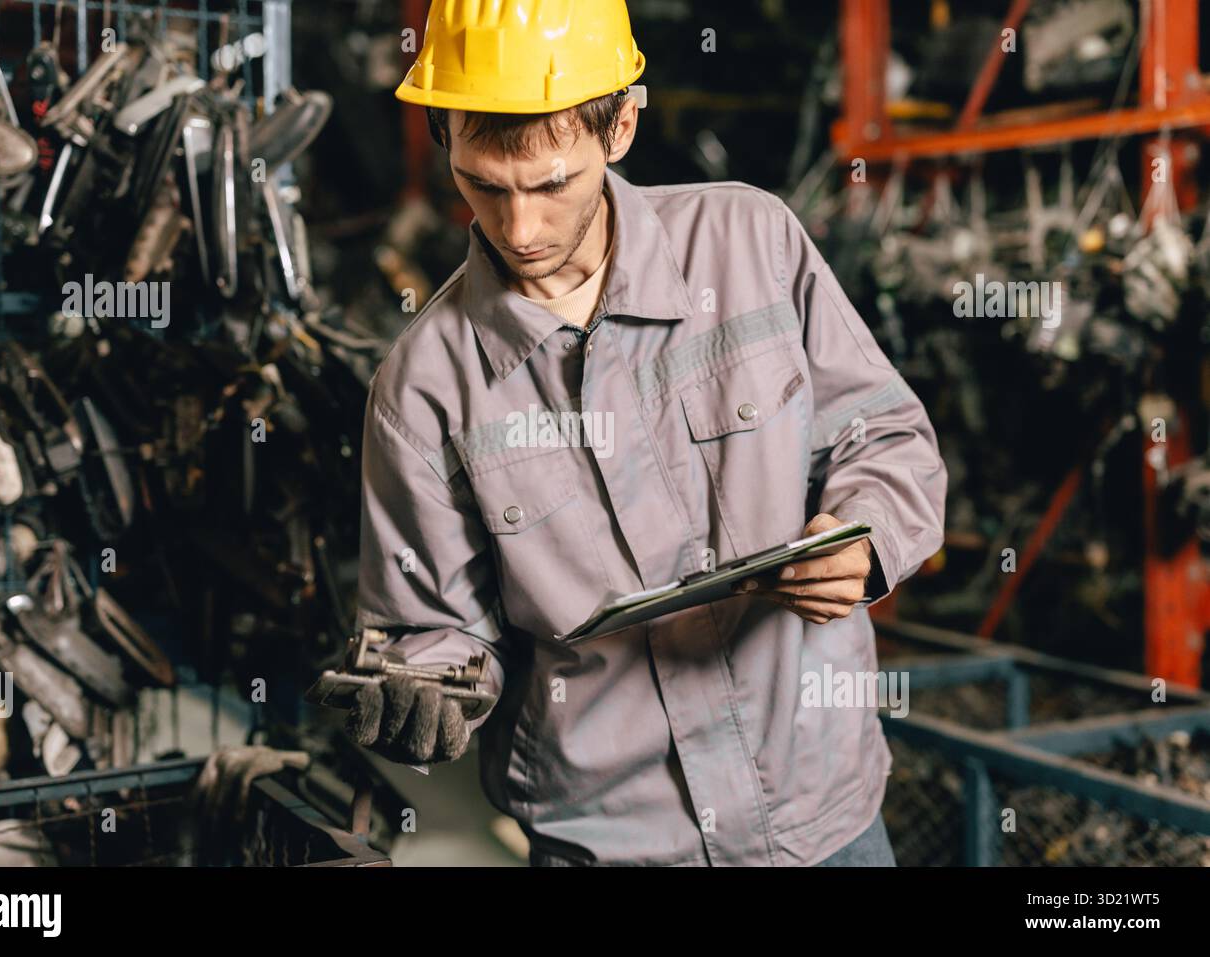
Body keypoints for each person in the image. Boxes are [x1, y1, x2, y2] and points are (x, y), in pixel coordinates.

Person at [341, 0, 946, 866]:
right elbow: (437, 625)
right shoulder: (423, 387)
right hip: (610, 841)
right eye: (484, 184)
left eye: (552, 183)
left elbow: (885, 437)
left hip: (819, 812)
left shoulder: (750, 245)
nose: (520, 230)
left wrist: (865, 539)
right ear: (444, 137)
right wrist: (428, 685)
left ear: (620, 125)